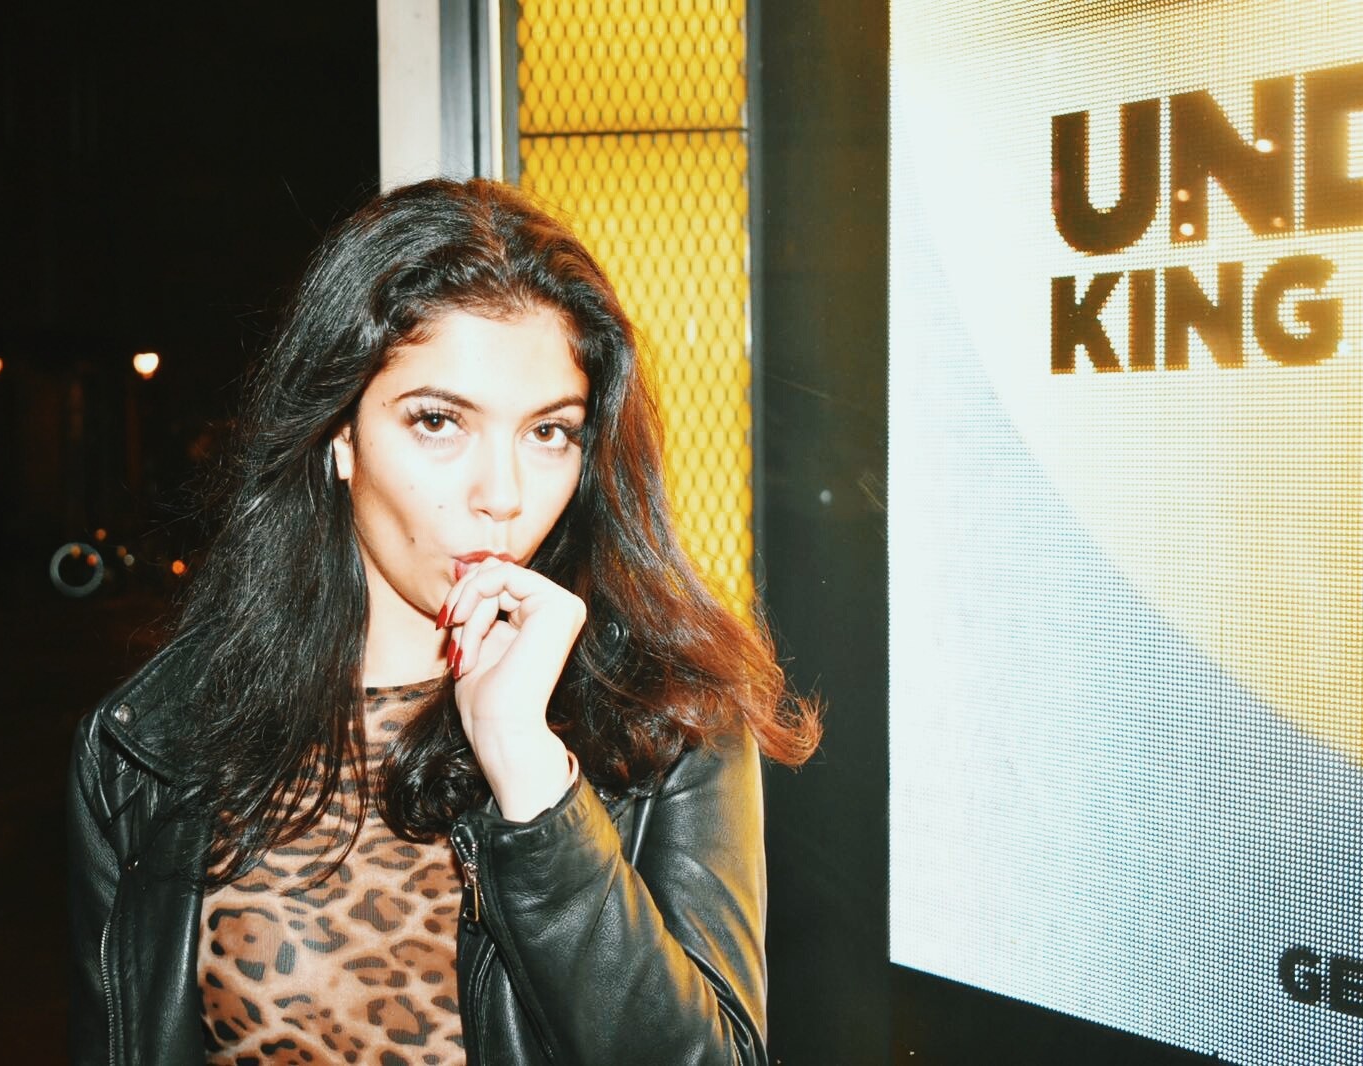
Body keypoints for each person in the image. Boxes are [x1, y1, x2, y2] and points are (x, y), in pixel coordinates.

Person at [67, 177, 820, 1066]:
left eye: (549, 433)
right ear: (339, 435)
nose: (501, 494)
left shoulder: (667, 722)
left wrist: (530, 774)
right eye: (438, 421)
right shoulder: (154, 746)